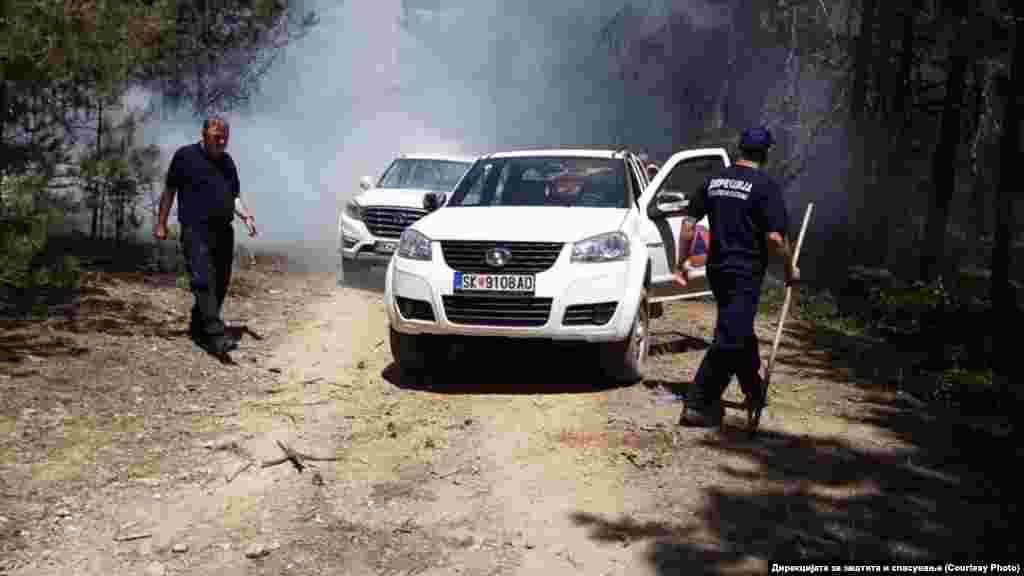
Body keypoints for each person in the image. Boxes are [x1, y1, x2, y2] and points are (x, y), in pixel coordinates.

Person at [675, 126, 799, 427]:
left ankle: (754, 391)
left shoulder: (714, 181)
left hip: (718, 270)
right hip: (745, 272)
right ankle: (698, 403)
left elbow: (689, 224)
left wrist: (681, 262)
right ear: (766, 153)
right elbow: (774, 237)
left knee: (738, 329)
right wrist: (789, 268)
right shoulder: (765, 186)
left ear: (739, 149)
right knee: (731, 337)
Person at [154, 116, 258, 356]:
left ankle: (199, 324)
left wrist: (247, 217)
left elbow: (234, 197)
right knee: (202, 279)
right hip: (195, 229)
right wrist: (161, 223)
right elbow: (170, 190)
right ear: (204, 134)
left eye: (225, 138)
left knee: (220, 282)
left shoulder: (228, 162)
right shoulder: (185, 156)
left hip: (223, 230)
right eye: (216, 136)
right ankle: (216, 335)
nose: (221, 141)